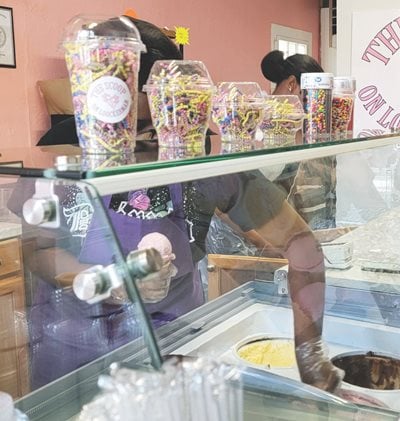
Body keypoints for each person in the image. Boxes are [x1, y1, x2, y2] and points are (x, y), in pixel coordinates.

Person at [14, 19, 342, 393]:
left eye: (157, 125)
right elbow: (38, 250)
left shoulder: (200, 155)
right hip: (71, 359)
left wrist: (310, 355)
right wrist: (113, 281)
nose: (140, 143)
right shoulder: (61, 148)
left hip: (172, 350)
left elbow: (303, 247)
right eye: (124, 126)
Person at [260, 50, 337, 230]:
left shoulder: (303, 125)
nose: (314, 106)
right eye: (312, 95)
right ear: (293, 83)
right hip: (273, 232)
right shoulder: (259, 120)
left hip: (307, 229)